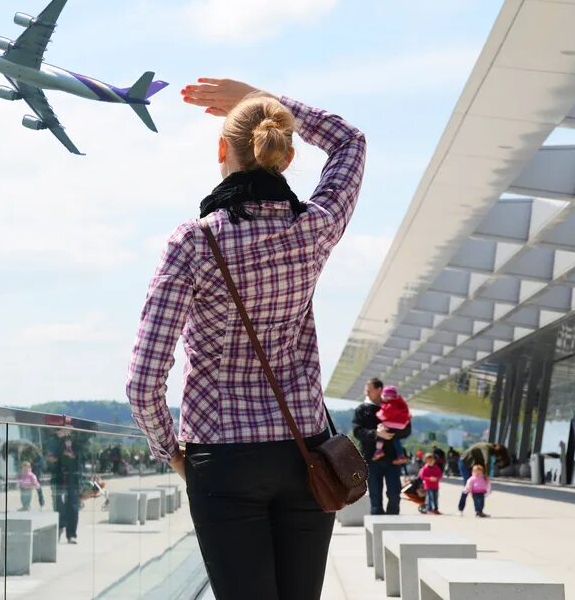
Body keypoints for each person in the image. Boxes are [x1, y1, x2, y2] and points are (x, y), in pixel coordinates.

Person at [127, 78, 367, 600]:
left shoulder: (193, 241)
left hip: (222, 455)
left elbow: (144, 379)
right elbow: (350, 142)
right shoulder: (315, 227)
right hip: (305, 451)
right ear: (283, 154)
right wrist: (264, 96)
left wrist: (169, 450)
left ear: (222, 149)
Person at [353, 378, 412, 516]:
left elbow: (407, 430)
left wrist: (390, 434)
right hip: (371, 458)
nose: (366, 392)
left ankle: (393, 524)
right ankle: (377, 530)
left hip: (393, 459)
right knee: (375, 496)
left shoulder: (397, 406)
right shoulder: (362, 409)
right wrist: (376, 433)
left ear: (379, 389)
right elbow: (357, 431)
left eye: (369, 390)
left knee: (394, 493)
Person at [373, 385, 411, 464]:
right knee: (395, 438)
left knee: (381, 431)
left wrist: (378, 415)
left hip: (393, 423)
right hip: (402, 424)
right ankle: (401, 455)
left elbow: (383, 414)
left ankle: (379, 450)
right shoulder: (401, 402)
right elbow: (407, 413)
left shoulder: (390, 404)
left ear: (387, 396)